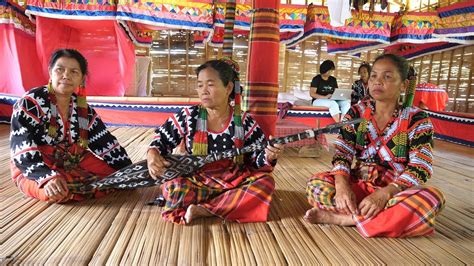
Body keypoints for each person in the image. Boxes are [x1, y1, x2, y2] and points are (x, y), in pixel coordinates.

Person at [304, 54, 445, 238]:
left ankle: (346, 219)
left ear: (403, 85)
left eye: (387, 76)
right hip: (359, 184)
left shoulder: (417, 119)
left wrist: (385, 194)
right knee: (316, 184)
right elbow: (343, 154)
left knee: (431, 198)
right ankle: (379, 220)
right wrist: (342, 186)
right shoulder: (357, 112)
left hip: (395, 192)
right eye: (374, 76)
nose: (378, 81)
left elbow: (421, 167)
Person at [147, 58, 284, 224]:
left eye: (210, 84)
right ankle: (226, 204)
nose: (203, 91)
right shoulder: (189, 116)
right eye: (199, 85)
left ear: (228, 88)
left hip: (235, 181)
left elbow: (257, 161)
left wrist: (269, 155)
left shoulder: (245, 121)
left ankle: (204, 209)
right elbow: (160, 140)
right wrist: (152, 153)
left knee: (265, 183)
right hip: (196, 180)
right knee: (173, 186)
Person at [10, 49, 132, 203]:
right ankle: (56, 183)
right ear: (50, 72)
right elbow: (21, 148)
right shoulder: (30, 103)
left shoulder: (82, 108)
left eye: (74, 72)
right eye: (60, 70)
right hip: (36, 164)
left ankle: (70, 180)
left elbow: (104, 141)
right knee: (55, 192)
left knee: (119, 178)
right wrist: (47, 178)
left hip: (73, 159)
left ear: (81, 79)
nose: (66, 75)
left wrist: (129, 170)